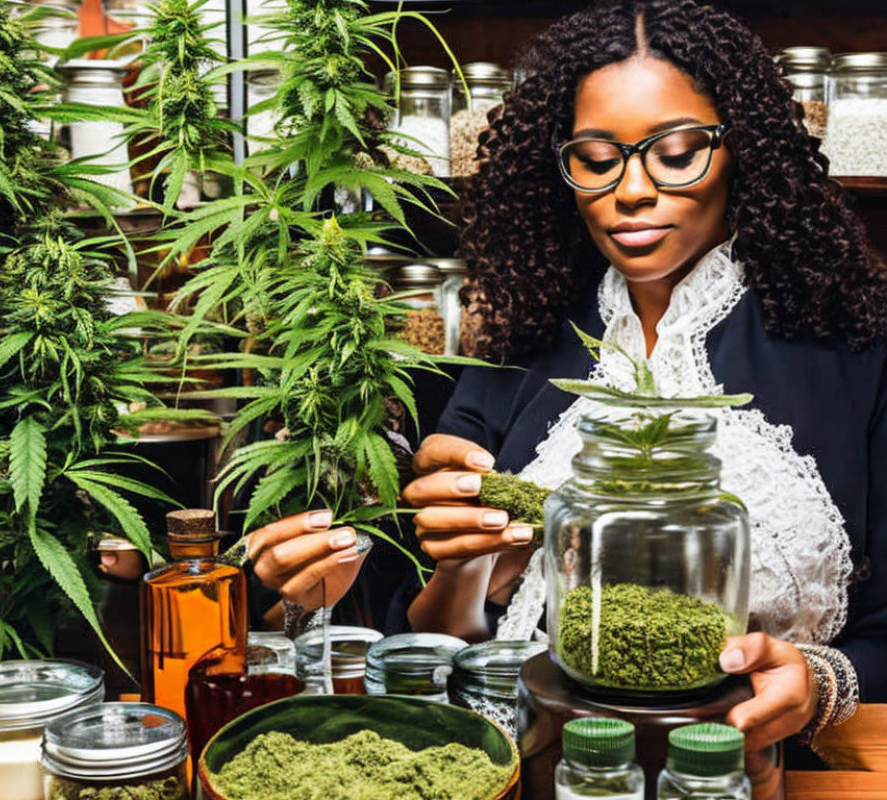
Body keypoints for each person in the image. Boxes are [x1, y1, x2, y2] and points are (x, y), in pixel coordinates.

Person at [248, 0, 887, 758]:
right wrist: (466, 565)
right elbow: (441, 640)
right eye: (595, 157)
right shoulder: (520, 347)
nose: (633, 190)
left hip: (748, 766)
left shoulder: (853, 348)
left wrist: (816, 684)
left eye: (676, 151)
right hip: (544, 760)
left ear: (740, 150)